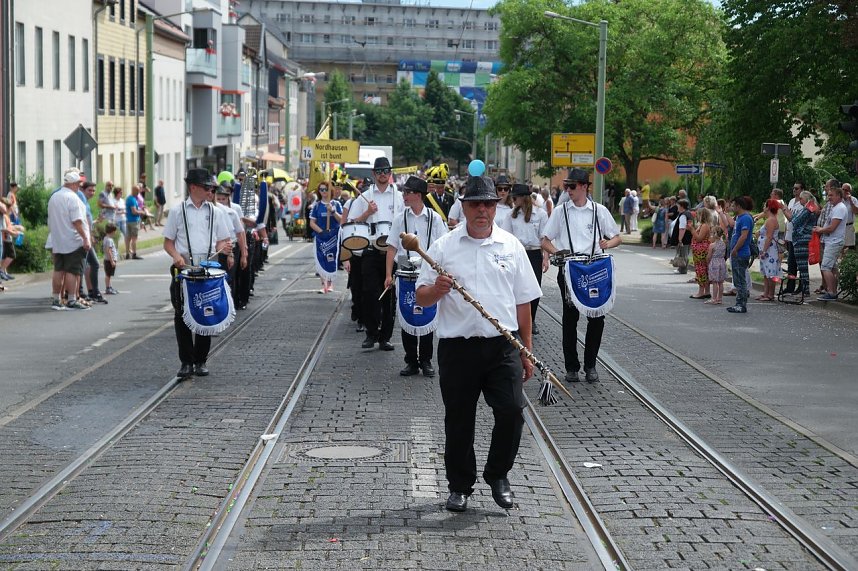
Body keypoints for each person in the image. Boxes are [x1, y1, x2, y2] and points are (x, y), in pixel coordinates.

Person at [415, 174, 541, 512]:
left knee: (512, 410)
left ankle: (498, 474)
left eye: (488, 203)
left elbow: (524, 302)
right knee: (459, 420)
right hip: (458, 348)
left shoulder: (510, 246)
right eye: (475, 204)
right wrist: (437, 290)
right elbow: (421, 296)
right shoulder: (444, 247)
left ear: (496, 207)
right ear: (464, 207)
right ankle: (460, 486)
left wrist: (526, 351)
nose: (482, 210)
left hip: (502, 346)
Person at [541, 168, 621, 383]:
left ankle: (591, 365)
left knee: (597, 317)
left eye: (572, 186)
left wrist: (608, 243)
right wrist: (557, 253)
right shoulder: (561, 212)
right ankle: (571, 367)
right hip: (570, 269)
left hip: (594, 267)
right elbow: (545, 240)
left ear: (585, 187)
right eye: (566, 186)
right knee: (570, 318)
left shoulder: (599, 210)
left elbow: (616, 237)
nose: (568, 190)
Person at [163, 168, 233, 378]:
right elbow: (168, 242)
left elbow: (223, 239)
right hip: (185, 268)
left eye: (212, 187)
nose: (211, 191)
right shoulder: (177, 211)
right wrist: (176, 255)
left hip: (208, 268)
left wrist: (224, 249)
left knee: (207, 313)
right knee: (182, 315)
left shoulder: (216, 212)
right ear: (193, 187)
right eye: (207, 187)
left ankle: (201, 360)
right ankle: (186, 362)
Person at [386, 175, 447, 377]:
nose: (404, 195)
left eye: (408, 192)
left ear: (418, 195)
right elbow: (392, 248)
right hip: (405, 272)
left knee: (427, 315)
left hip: (426, 273)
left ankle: (426, 361)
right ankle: (411, 360)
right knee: (407, 314)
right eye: (404, 192)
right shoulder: (399, 218)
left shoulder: (435, 219)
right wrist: (388, 275)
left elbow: (443, 246)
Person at [347, 156, 404, 350]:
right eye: (379, 171)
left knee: (389, 296)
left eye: (386, 171)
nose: (383, 174)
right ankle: (371, 334)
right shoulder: (365, 195)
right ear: (374, 173)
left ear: (391, 173)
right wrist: (367, 214)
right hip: (371, 249)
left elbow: (405, 220)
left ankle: (385, 337)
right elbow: (351, 222)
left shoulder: (398, 195)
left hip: (391, 250)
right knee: (370, 293)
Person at [500, 183, 549, 334]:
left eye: (515, 197)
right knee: (515, 289)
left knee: (534, 289)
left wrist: (545, 258)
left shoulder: (540, 214)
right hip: (517, 254)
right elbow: (505, 236)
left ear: (524, 198)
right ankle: (514, 320)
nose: (513, 200)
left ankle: (531, 320)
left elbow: (545, 238)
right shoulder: (511, 215)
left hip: (534, 253)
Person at [47, 170, 91, 310]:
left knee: (58, 269)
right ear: (72, 184)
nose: (79, 186)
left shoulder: (54, 197)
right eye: (78, 183)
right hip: (72, 239)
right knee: (73, 271)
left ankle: (56, 299)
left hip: (58, 239)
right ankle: (72, 299)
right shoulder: (73, 198)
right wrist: (85, 238)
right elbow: (77, 221)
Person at [813, 183, 847, 301]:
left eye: (831, 195)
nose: (829, 197)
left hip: (834, 241)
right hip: (831, 241)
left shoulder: (840, 208)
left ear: (838, 195)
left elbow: (832, 228)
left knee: (825, 267)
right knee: (832, 267)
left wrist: (820, 229)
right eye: (828, 195)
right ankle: (832, 291)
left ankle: (831, 292)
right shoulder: (835, 207)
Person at [309, 181, 343, 294]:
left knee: (331, 259)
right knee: (321, 259)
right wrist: (321, 232)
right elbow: (312, 223)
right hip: (321, 238)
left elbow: (341, 220)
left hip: (333, 237)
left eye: (325, 189)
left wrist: (333, 211)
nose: (323, 192)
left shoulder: (336, 204)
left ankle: (330, 283)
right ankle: (324, 284)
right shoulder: (317, 205)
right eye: (321, 190)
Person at [78, 180, 107, 304]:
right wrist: (88, 236)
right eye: (89, 190)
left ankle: (89, 292)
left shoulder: (86, 203)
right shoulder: (80, 199)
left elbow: (87, 221)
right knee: (91, 264)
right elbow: (81, 220)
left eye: (94, 190)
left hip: (87, 236)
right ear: (83, 190)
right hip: (82, 238)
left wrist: (95, 222)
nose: (92, 192)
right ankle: (90, 292)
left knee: (87, 265)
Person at [789, 190, 819, 299]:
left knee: (802, 266)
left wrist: (791, 214)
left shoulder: (807, 208)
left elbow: (795, 220)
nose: (799, 200)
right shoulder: (812, 207)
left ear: (806, 199)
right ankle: (805, 289)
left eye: (801, 198)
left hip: (801, 239)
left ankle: (805, 290)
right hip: (804, 238)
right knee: (802, 267)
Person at [727, 196, 754, 313]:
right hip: (736, 253)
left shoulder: (746, 218)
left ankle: (741, 304)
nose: (732, 208)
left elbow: (744, 236)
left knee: (740, 280)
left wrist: (735, 249)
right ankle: (738, 303)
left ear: (739, 206)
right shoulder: (739, 218)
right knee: (737, 280)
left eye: (733, 205)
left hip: (740, 253)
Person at [756, 199, 781, 302]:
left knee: (771, 272)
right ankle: (765, 293)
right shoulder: (769, 219)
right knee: (766, 273)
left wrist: (764, 251)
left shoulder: (771, 220)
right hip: (767, 250)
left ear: (768, 207)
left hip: (769, 251)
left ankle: (770, 294)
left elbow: (769, 236)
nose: (763, 208)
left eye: (765, 206)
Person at [706, 226, 728, 305]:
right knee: (721, 282)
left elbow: (709, 256)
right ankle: (720, 298)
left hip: (714, 263)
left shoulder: (712, 245)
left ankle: (714, 298)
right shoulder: (724, 244)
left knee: (715, 282)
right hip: (722, 262)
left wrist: (707, 262)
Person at [125, 185, 145, 259]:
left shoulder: (128, 198)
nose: (138, 192)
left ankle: (127, 253)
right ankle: (134, 254)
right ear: (134, 190)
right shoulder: (132, 199)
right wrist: (141, 212)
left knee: (128, 238)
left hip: (128, 220)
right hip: (133, 221)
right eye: (138, 191)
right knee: (134, 238)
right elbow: (134, 211)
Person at [102, 223, 120, 295]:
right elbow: (108, 250)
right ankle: (108, 288)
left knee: (109, 275)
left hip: (108, 259)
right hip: (109, 260)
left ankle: (110, 287)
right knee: (108, 275)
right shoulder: (109, 240)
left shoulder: (106, 238)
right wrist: (112, 260)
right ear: (112, 231)